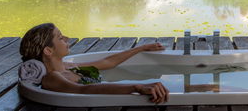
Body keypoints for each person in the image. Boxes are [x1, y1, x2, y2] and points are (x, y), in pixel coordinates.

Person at [19, 23, 169, 103]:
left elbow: (107, 62)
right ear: (48, 51)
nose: (67, 38)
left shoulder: (68, 67)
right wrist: (137, 87)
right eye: (59, 37)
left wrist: (141, 48)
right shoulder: (52, 77)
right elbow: (83, 91)